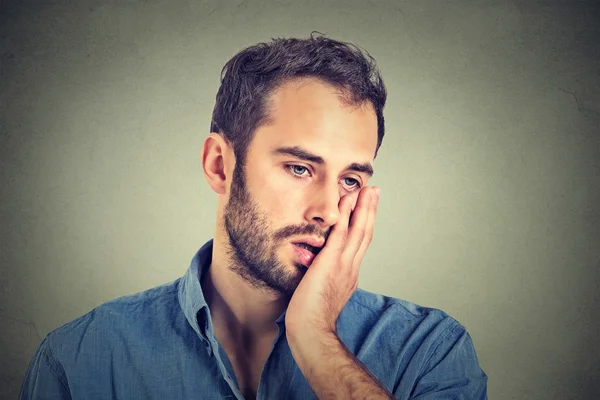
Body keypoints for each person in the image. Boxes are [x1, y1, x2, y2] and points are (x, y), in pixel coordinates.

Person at [20, 33, 488, 400]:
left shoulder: (427, 351)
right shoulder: (81, 362)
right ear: (220, 165)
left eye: (350, 180)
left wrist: (315, 339)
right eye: (300, 168)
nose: (327, 210)